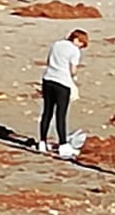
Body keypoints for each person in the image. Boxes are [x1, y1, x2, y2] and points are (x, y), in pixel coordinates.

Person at [38, 29, 88, 158]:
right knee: (61, 114)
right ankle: (63, 145)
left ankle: (42, 142)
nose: (81, 47)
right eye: (81, 44)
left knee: (47, 112)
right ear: (76, 40)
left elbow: (49, 61)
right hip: (62, 83)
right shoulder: (74, 51)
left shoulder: (56, 44)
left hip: (48, 79)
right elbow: (73, 70)